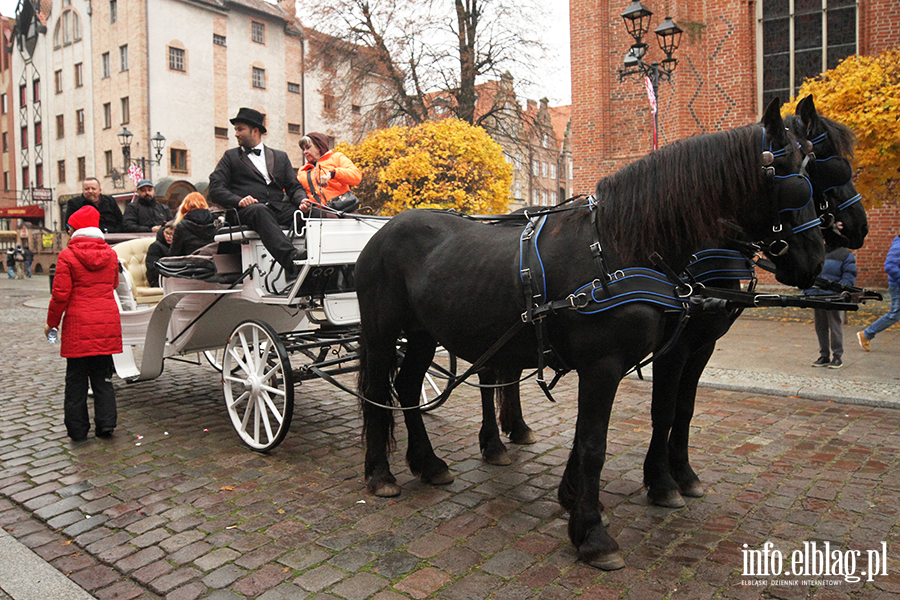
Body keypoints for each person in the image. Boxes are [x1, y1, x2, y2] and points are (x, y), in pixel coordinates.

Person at [45, 205, 122, 441]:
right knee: (103, 377)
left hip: (78, 324)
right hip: (106, 321)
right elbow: (114, 284)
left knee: (76, 381)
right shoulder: (110, 254)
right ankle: (106, 424)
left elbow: (60, 295)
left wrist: (52, 324)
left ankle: (78, 430)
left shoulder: (67, 256)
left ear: (75, 230)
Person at [208, 107, 309, 279]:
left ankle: (331, 260)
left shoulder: (280, 157)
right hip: (247, 211)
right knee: (260, 210)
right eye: (235, 130)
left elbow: (294, 186)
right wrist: (239, 200)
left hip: (277, 209)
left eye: (240, 129)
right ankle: (292, 260)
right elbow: (215, 188)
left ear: (255, 131)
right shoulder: (230, 157)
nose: (236, 134)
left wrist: (302, 201)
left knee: (316, 213)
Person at [806, 244, 857, 369]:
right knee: (820, 327)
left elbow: (849, 275)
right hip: (817, 296)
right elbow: (806, 271)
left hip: (834, 297)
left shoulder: (844, 254)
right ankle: (824, 355)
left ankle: (837, 356)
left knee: (835, 326)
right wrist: (807, 290)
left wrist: (840, 291)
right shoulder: (815, 251)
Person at [298, 133, 362, 215]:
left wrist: (332, 174)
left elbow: (356, 176)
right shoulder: (303, 171)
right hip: (321, 213)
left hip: (345, 207)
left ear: (319, 146)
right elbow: (296, 190)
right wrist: (303, 202)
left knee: (349, 222)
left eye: (308, 148)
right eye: (303, 149)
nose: (305, 152)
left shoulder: (336, 158)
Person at [858, 233, 900, 351]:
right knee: (894, 315)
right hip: (898, 287)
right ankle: (866, 334)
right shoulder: (898, 246)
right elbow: (890, 267)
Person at [146, 221, 174, 287]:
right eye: (167, 233)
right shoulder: (155, 246)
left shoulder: (180, 246)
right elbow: (152, 267)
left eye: (173, 234)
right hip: (158, 279)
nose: (169, 237)